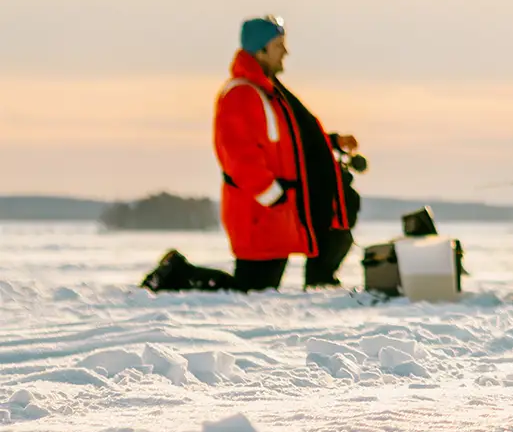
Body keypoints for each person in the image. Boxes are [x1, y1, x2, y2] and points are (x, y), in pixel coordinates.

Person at [148, 15, 359, 292]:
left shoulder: (267, 93)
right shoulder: (242, 94)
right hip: (259, 213)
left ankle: (177, 272)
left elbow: (289, 142)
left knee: (257, 289)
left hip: (274, 212)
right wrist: (271, 194)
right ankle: (176, 273)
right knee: (248, 291)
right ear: (261, 50)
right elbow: (237, 155)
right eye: (279, 45)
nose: (285, 52)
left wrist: (330, 142)